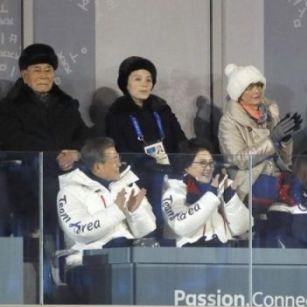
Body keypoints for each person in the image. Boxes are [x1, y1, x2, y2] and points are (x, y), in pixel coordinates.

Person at [0, 43, 88, 234]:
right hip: (28, 176)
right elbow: (14, 141)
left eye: (48, 70)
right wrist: (56, 155)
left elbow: (84, 137)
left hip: (68, 173)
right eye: (37, 70)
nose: (44, 75)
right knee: (50, 192)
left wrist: (75, 153)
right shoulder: (9, 107)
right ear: (25, 75)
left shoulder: (67, 105)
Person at [105, 56, 188, 233]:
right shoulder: (117, 113)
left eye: (148, 79)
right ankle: (155, 239)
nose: (144, 84)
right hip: (138, 173)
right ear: (125, 83)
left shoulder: (161, 109)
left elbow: (180, 140)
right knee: (155, 181)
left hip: (169, 169)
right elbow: (120, 150)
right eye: (138, 79)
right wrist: (147, 162)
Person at [56, 137, 156, 270]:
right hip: (86, 261)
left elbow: (146, 229)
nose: (119, 164)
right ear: (98, 166)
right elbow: (78, 230)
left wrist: (133, 211)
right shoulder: (70, 191)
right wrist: (117, 211)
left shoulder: (126, 185)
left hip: (127, 255)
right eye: (114, 159)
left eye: (118, 158)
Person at [218, 63, 301, 217]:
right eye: (250, 87)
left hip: (276, 176)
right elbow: (240, 160)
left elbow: (286, 161)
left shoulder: (270, 113)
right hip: (249, 180)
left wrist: (285, 141)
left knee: (305, 188)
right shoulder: (228, 122)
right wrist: (272, 139)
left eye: (259, 85)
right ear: (239, 93)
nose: (257, 91)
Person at [161, 139, 251, 247]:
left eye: (211, 163)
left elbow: (242, 227)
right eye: (202, 163)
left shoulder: (223, 185)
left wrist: (230, 198)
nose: (208, 167)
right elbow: (179, 225)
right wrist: (210, 197)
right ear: (187, 166)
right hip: (190, 255)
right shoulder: (174, 191)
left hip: (223, 253)